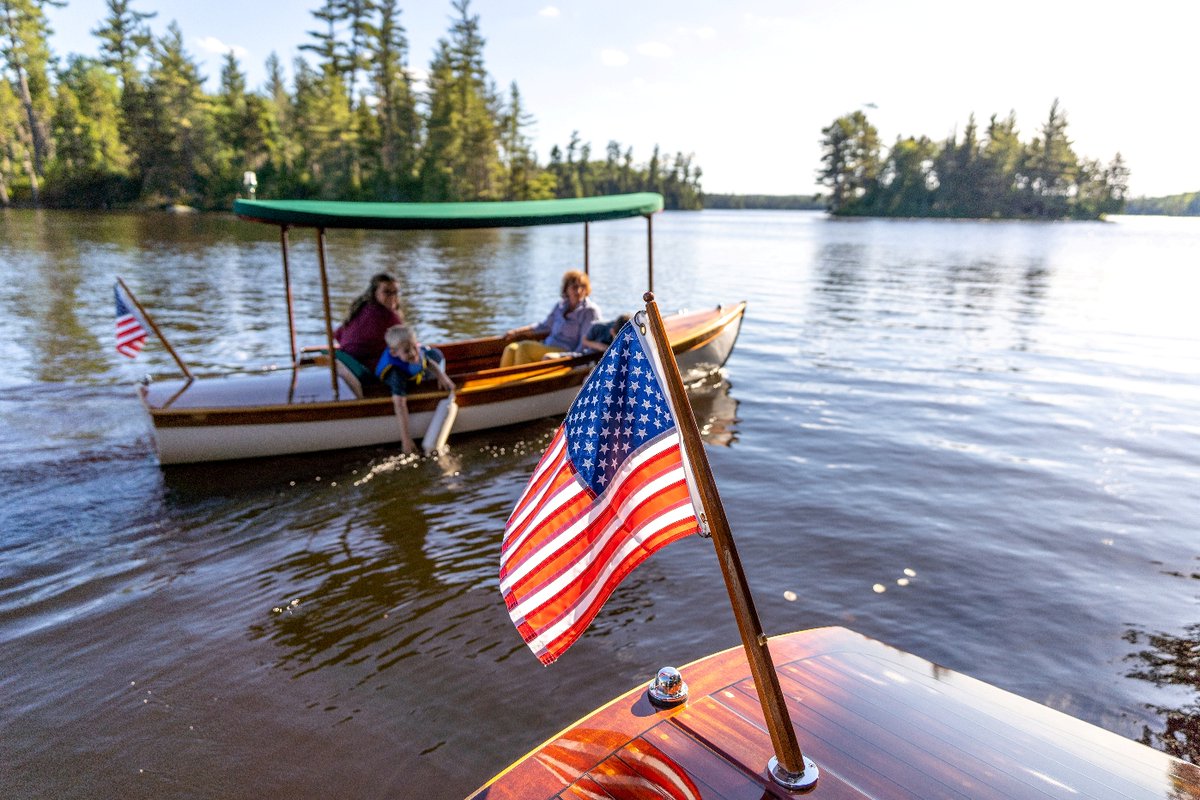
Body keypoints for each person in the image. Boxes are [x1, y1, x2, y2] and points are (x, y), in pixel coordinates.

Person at [376, 325, 455, 454]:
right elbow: (400, 404)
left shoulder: (415, 353)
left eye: (414, 347)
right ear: (394, 353)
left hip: (413, 373)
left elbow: (427, 362)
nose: (413, 353)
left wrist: (443, 377)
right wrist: (406, 440)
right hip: (404, 381)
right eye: (407, 351)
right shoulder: (395, 373)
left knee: (435, 354)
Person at [500, 270, 601, 367]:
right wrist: (516, 332)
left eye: (582, 286)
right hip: (548, 345)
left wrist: (572, 360)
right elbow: (544, 326)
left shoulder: (590, 311)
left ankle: (519, 382)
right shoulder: (560, 306)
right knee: (511, 348)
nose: (578, 291)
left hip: (565, 351)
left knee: (523, 348)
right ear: (566, 289)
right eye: (574, 287)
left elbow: (585, 343)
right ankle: (501, 382)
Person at [333, 273, 404, 392]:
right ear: (375, 293)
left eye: (395, 292)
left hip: (346, 364)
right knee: (433, 355)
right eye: (387, 292)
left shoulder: (360, 309)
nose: (392, 297)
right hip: (367, 368)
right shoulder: (389, 317)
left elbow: (338, 335)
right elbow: (406, 344)